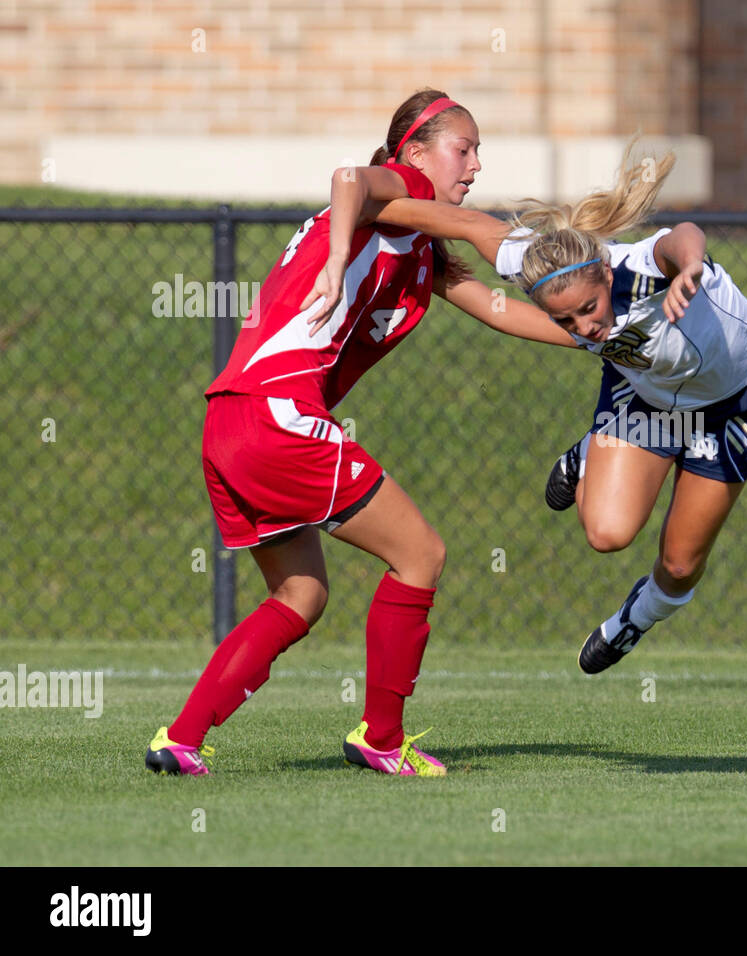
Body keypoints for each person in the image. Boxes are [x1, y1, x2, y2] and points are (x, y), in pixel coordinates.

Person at [146, 88, 575, 777]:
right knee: (420, 555)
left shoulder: (417, 243)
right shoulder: (395, 190)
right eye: (462, 149)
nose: (473, 165)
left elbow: (498, 310)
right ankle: (381, 736)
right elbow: (352, 178)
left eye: (477, 154)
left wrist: (599, 337)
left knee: (301, 595)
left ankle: (180, 738)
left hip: (231, 421)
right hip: (280, 415)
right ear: (412, 152)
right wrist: (345, 242)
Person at [368, 143, 747, 674]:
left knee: (679, 564)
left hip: (736, 397)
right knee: (606, 534)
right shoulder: (539, 269)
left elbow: (682, 235)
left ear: (606, 278)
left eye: (589, 309)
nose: (586, 327)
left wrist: (691, 268)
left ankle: (636, 617)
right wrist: (367, 206)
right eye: (567, 321)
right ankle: (593, 449)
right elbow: (464, 222)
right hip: (651, 394)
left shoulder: (640, 268)